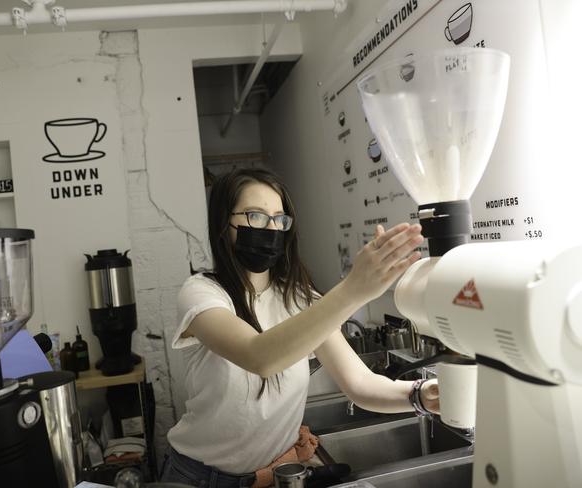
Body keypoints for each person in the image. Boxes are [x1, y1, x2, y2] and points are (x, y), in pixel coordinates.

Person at [161, 168, 438, 487]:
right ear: (224, 223)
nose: (271, 228)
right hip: (197, 478)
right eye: (256, 216)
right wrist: (353, 289)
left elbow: (360, 384)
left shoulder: (301, 299)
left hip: (276, 476)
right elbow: (259, 357)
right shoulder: (201, 293)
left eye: (279, 219)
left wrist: (420, 395)